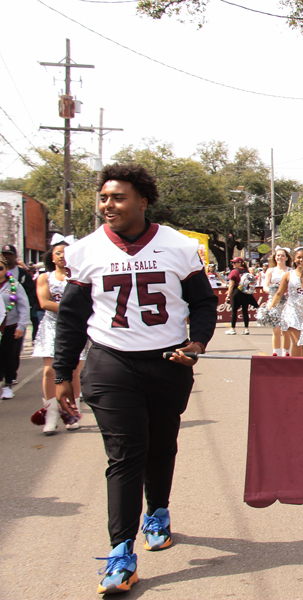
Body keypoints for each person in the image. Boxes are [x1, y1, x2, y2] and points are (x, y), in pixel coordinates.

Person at [52, 163, 217, 593]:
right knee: (126, 453)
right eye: (103, 197)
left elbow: (202, 304)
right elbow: (71, 318)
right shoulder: (86, 250)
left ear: (142, 201)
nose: (109, 205)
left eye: (118, 197)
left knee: (162, 444)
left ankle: (157, 510)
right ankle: (121, 552)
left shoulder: (178, 246)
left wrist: (196, 345)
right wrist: (61, 372)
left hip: (167, 360)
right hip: (110, 361)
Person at [31, 234, 88, 433]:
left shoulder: (80, 276)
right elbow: (44, 303)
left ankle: (71, 413)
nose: (62, 256)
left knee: (73, 372)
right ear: (52, 257)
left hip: (76, 326)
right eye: (57, 253)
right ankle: (51, 414)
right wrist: (73, 308)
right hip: (51, 327)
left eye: (65, 253)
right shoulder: (43, 277)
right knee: (49, 371)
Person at [1, 243, 37, 385]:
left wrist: (22, 325)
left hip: (11, 324)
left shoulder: (17, 281)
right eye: (4, 255)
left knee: (11, 353)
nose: (7, 257)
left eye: (10, 254)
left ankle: (9, 380)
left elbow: (25, 303)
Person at [266, 247, 303, 357]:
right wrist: (269, 309)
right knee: (297, 342)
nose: (301, 260)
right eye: (298, 257)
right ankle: (295, 369)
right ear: (294, 259)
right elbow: (279, 293)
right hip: (292, 311)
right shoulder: (288, 274)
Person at [0, 254, 30, 400]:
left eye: (0, 268)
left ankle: (8, 384)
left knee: (9, 356)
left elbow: (24, 307)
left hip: (10, 326)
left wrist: (21, 326)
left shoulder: (14, 285)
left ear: (6, 269)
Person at [262, 247, 292, 356]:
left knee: (286, 330)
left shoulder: (290, 271)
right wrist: (272, 291)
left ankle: (286, 352)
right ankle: (276, 352)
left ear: (286, 258)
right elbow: (265, 286)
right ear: (275, 257)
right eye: (278, 255)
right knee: (276, 329)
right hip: (274, 301)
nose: (280, 257)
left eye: (282, 255)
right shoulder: (271, 270)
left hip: (287, 302)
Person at [225, 257, 258, 335]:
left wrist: (228, 295)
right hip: (246, 292)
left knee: (234, 311)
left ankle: (233, 329)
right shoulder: (247, 271)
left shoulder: (234, 272)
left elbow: (231, 284)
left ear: (240, 263)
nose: (233, 264)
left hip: (237, 291)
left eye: (235, 263)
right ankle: (246, 329)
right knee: (245, 311)